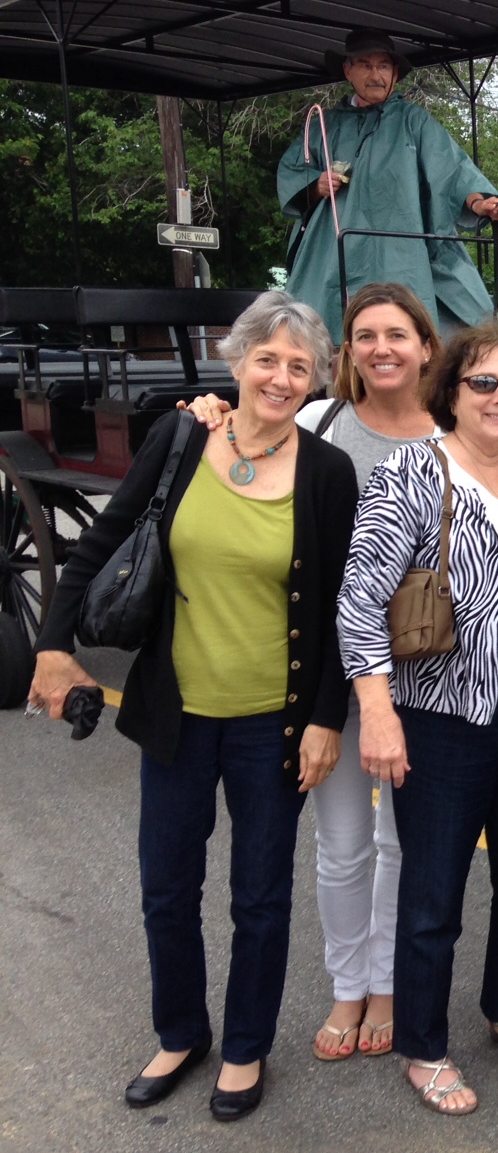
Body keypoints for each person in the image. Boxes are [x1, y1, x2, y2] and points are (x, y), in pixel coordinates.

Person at [180, 283, 498, 1064]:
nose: (382, 348)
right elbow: (352, 591)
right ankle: (354, 987)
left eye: (398, 334)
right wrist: (210, 413)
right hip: (347, 678)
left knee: (418, 854)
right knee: (350, 844)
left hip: (456, 686)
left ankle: (399, 989)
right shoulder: (324, 424)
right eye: (365, 335)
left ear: (427, 350)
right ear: (349, 352)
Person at [28, 292, 357, 1121]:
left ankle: (245, 1047)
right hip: (176, 713)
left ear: (316, 380)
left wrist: (326, 719)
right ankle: (181, 1034)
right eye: (267, 359)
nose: (280, 377)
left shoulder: (327, 473)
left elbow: (339, 611)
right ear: (236, 360)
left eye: (299, 366)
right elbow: (100, 544)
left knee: (260, 897)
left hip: (273, 722)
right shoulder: (179, 439)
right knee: (166, 888)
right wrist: (53, 647)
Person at [337, 320, 498, 1117]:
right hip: (442, 712)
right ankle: (424, 1045)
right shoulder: (411, 471)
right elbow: (360, 599)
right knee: (434, 890)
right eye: (484, 382)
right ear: (453, 393)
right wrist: (377, 712)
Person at [278, 28, 498, 346]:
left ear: (395, 73)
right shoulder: (323, 124)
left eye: (383, 66)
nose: (376, 75)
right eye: (365, 65)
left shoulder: (414, 121)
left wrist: (479, 202)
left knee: (420, 325)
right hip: (333, 252)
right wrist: (316, 185)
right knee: (317, 333)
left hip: (401, 255)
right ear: (348, 70)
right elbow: (292, 171)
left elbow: (451, 168)